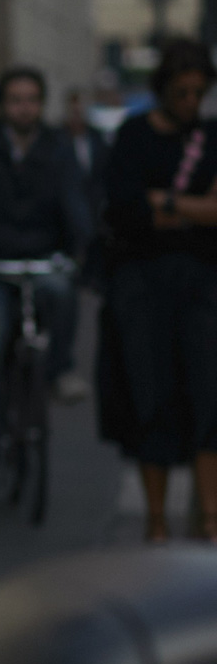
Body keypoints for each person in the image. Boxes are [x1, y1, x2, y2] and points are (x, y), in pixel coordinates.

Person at [0, 65, 93, 491]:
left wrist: (81, 243)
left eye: (31, 100)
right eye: (16, 100)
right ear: (2, 105)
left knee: (62, 291)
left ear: (41, 104)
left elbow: (74, 199)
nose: (24, 108)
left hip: (42, 256)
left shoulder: (57, 146)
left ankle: (60, 370)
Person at [103, 37, 217, 543]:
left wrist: (165, 203)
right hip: (143, 287)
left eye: (199, 92)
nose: (191, 102)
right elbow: (125, 211)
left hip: (203, 284)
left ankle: (210, 518)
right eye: (182, 92)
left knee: (210, 395)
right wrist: (194, 208)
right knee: (152, 396)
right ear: (164, 89)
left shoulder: (211, 137)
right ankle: (156, 521)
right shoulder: (134, 135)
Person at [63, 87, 111, 224]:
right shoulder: (57, 139)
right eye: (74, 110)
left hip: (95, 208)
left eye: (81, 109)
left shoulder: (98, 137)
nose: (77, 113)